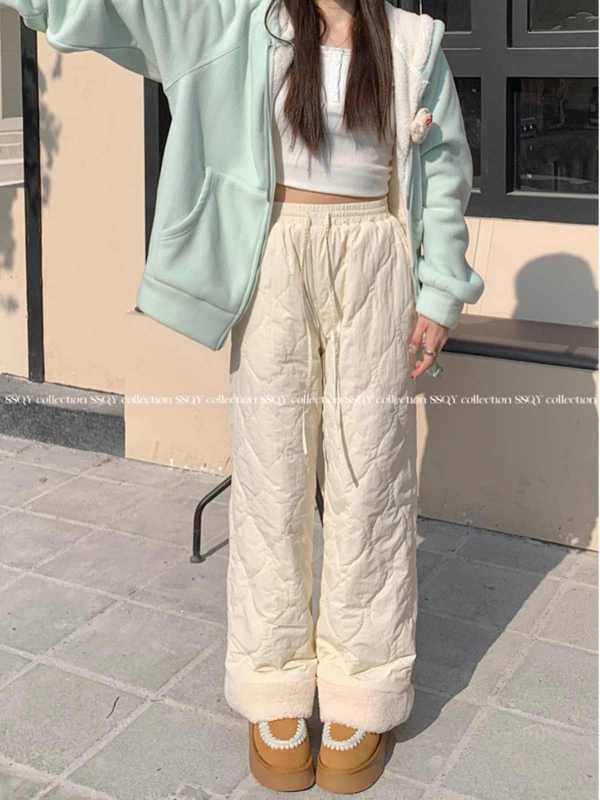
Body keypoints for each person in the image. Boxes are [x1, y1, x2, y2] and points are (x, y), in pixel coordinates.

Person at [4, 0, 484, 793]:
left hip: (376, 259)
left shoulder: (412, 40)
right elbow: (115, 11)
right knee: (271, 480)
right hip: (274, 262)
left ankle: (364, 687)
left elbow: (444, 176)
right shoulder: (239, 23)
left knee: (372, 482)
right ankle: (274, 684)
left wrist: (438, 293)